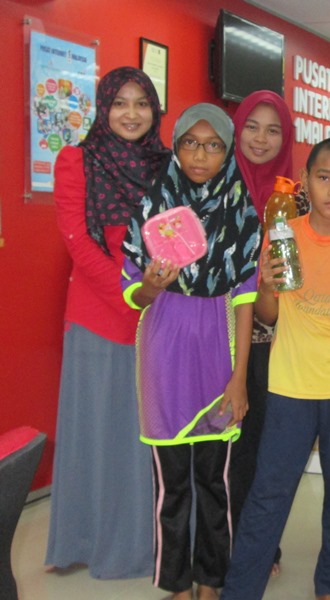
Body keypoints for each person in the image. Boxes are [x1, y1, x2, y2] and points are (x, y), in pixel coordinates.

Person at [221, 138, 330, 600]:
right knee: (269, 493)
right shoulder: (282, 235)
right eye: (323, 178)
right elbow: (268, 314)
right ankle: (240, 589)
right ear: (305, 182)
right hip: (289, 386)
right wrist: (267, 286)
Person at [121, 103, 261, 600]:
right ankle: (177, 585)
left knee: (215, 482)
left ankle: (211, 581)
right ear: (176, 146)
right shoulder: (152, 209)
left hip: (219, 354)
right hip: (163, 355)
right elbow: (133, 296)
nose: (201, 155)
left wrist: (239, 379)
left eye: (213, 145)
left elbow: (245, 302)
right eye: (190, 143)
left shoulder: (243, 213)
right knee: (172, 485)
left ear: (228, 151)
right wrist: (152, 285)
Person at [47, 66, 170, 579]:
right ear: (103, 108)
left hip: (159, 313)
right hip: (100, 315)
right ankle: (88, 542)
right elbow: (77, 240)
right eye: (120, 103)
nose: (131, 114)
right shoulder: (76, 160)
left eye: (142, 103)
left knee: (145, 434)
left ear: (155, 110)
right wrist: (130, 295)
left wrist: (154, 292)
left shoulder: (167, 164)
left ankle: (146, 543)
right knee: (97, 433)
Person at [230, 90, 298, 575]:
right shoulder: (217, 187)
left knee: (261, 449)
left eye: (273, 130)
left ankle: (259, 546)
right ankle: (218, 543)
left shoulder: (295, 200)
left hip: (273, 345)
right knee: (220, 450)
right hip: (217, 338)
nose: (260, 138)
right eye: (251, 127)